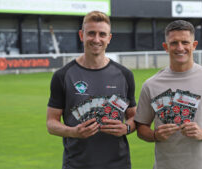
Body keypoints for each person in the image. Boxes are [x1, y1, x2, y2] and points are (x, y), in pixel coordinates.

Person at [134, 20, 202, 169]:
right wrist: (155, 135)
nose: (180, 48)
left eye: (185, 42)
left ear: (194, 45)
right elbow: (141, 128)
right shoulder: (151, 84)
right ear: (165, 47)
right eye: (174, 43)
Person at [46, 11, 136, 169]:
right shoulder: (62, 75)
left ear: (109, 38)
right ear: (81, 35)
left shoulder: (125, 75)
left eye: (102, 34)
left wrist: (126, 128)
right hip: (77, 164)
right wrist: (74, 132)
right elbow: (51, 123)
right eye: (91, 33)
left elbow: (134, 117)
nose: (96, 39)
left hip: (118, 164)